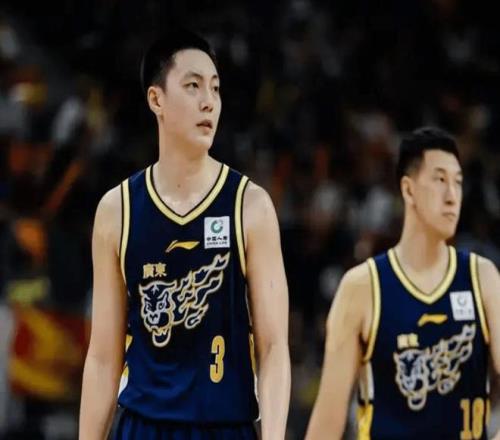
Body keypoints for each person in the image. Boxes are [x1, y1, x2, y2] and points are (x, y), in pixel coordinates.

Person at [79, 28, 290, 440]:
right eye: (193, 86)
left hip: (225, 427)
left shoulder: (250, 206)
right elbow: (103, 358)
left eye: (215, 88)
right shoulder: (117, 210)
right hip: (141, 426)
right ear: (156, 99)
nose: (208, 101)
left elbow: (273, 348)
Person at [306, 127, 500, 440]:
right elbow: (327, 421)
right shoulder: (362, 287)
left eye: (458, 182)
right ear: (408, 190)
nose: (452, 196)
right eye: (440, 180)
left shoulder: (483, 278)